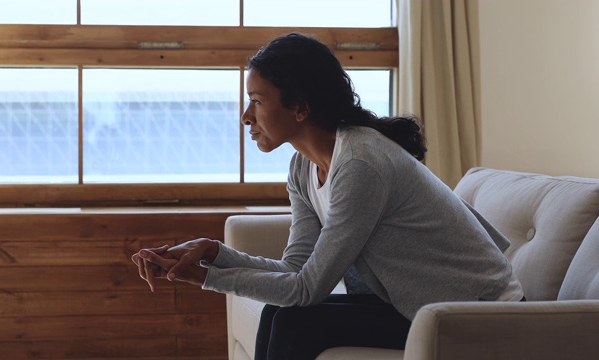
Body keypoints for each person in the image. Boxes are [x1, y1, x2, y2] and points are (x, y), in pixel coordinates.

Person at [132, 32, 524, 360]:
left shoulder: (360, 165)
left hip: (477, 316)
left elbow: (306, 290)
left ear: (300, 107)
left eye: (257, 100)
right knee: (281, 315)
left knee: (292, 320)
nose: (245, 116)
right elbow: (294, 270)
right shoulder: (303, 168)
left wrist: (205, 278)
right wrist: (213, 252)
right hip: (420, 305)